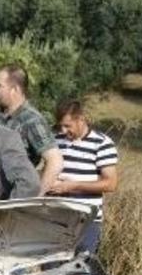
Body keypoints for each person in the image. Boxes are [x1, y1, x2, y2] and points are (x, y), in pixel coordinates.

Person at [46, 99, 119, 253]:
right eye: (61, 126)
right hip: (56, 219)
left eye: (68, 126)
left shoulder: (102, 143)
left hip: (86, 222)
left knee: (80, 271)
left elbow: (110, 184)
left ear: (81, 119)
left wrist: (72, 186)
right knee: (52, 271)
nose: (63, 131)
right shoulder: (55, 140)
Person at [0, 64, 63, 194]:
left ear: (15, 89)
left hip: (12, 201)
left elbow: (55, 161)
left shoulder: (31, 120)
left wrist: (35, 198)